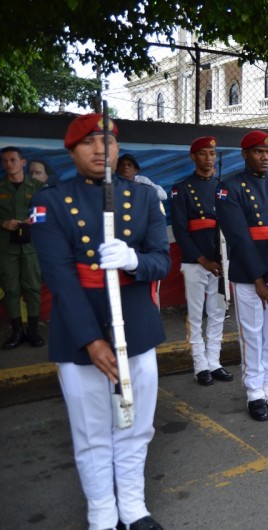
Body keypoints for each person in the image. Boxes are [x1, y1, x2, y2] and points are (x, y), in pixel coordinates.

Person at [31, 113, 170, 530]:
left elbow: (161, 260)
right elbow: (59, 276)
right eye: (88, 142)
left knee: (136, 425)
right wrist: (91, 340)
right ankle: (102, 513)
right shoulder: (51, 202)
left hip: (135, 324)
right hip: (79, 329)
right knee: (91, 431)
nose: (99, 149)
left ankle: (133, 506)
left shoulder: (143, 197)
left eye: (107, 141)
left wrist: (133, 261)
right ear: (71, 151)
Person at [216, 131, 268, 421]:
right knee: (251, 335)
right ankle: (254, 392)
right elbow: (238, 238)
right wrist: (259, 281)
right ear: (245, 154)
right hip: (249, 275)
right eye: (258, 152)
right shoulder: (230, 188)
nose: (265, 157)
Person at [170, 136, 233, 387]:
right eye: (204, 153)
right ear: (193, 157)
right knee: (196, 315)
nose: (209, 158)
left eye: (212, 153)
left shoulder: (223, 187)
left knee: (217, 312)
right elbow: (180, 230)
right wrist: (203, 260)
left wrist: (223, 260)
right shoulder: (182, 188)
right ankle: (199, 364)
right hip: (195, 260)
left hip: (221, 261)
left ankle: (214, 361)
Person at [0, 146, 44, 349]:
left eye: (13, 160)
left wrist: (33, 220)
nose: (9, 164)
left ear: (23, 163)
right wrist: (3, 223)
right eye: (5, 161)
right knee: (11, 289)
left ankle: (33, 331)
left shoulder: (37, 187)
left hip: (31, 246)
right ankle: (17, 331)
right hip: (6, 247)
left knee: (33, 288)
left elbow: (46, 213)